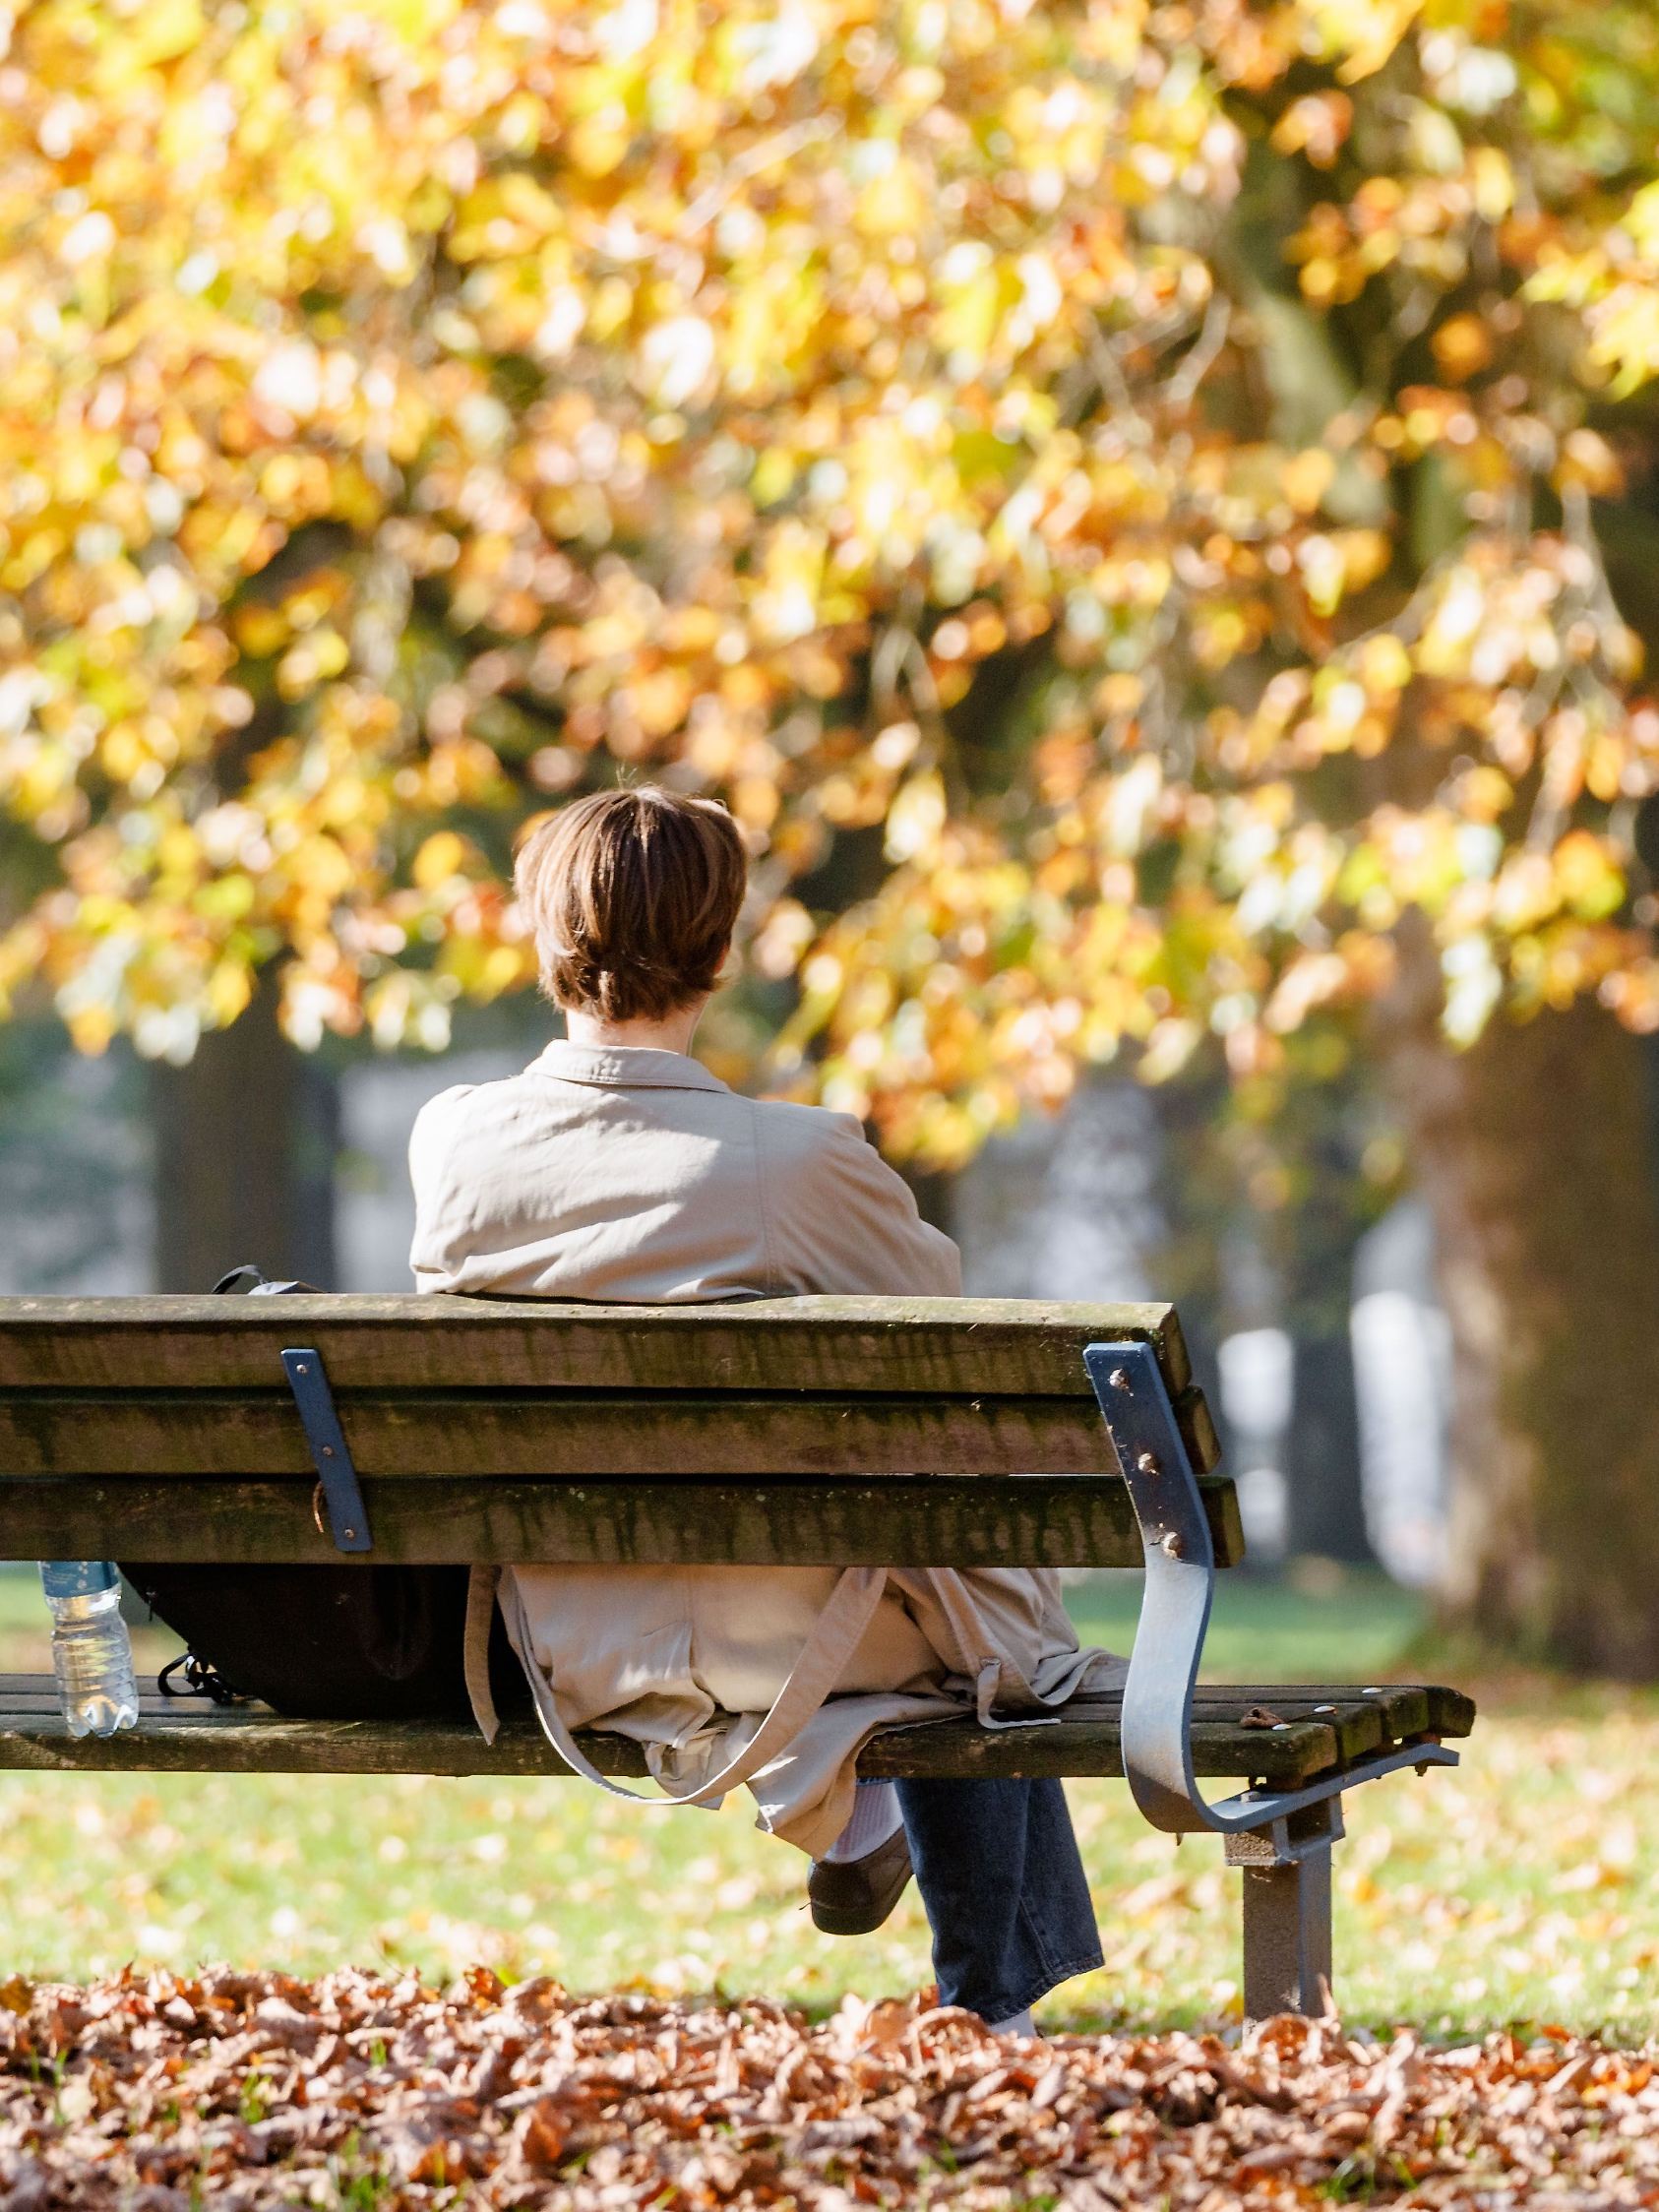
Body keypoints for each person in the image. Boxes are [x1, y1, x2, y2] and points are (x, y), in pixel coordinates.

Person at [409, 786, 1122, 2035]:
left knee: (935, 1567)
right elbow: (940, 1332)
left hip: (570, 1633)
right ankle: (972, 1976)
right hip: (795, 1634)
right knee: (978, 1596)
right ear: (724, 953)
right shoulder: (796, 1162)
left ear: (541, 943)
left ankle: (852, 1811)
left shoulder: (456, 1143)